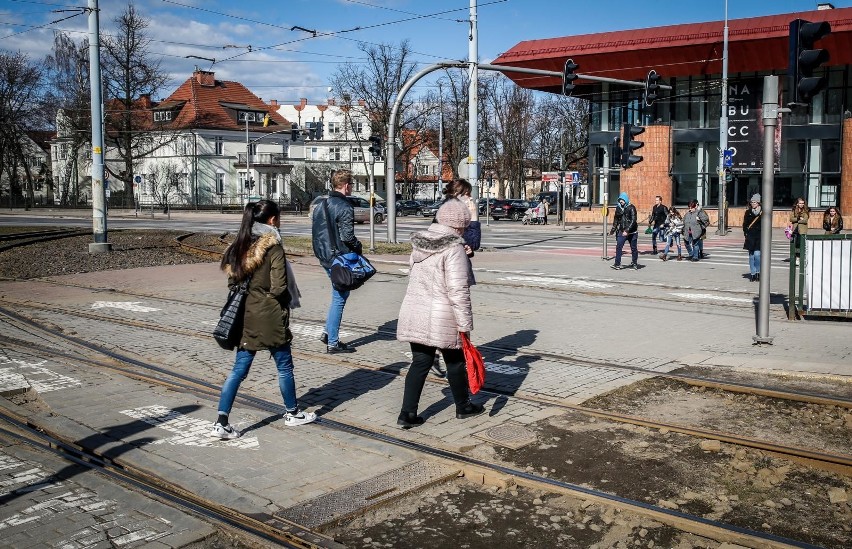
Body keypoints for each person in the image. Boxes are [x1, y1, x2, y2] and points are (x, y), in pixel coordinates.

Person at [212, 200, 316, 439]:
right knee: (284, 366)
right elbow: (280, 287)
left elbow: (232, 283)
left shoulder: (237, 246)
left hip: (246, 316)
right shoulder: (274, 247)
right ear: (272, 221)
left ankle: (221, 421)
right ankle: (292, 413)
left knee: (238, 370)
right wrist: (273, 303)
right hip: (269, 315)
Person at [396, 199, 485, 428]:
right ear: (459, 226)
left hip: (415, 310)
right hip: (442, 315)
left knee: (420, 362)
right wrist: (465, 324)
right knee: (455, 362)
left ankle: (407, 414)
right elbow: (458, 289)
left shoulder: (420, 244)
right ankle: (463, 407)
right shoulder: (453, 249)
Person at [431, 179, 480, 377]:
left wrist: (465, 247)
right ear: (458, 194)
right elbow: (474, 242)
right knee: (456, 316)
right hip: (452, 272)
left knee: (446, 315)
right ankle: (457, 362)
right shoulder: (456, 214)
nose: (470, 198)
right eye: (467, 194)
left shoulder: (444, 210)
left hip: (441, 270)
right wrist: (475, 217)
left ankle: (437, 353)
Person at [311, 169, 361, 354]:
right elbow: (348, 236)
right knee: (339, 298)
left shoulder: (321, 204)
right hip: (339, 257)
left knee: (339, 296)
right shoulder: (345, 206)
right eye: (352, 185)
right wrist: (358, 246)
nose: (352, 188)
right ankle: (333, 342)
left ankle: (327, 332)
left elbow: (317, 232)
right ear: (347, 185)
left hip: (324, 255)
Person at [610, 191, 639, 270]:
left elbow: (633, 220)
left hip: (632, 232)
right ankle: (617, 264)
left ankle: (634, 263)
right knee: (618, 247)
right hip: (622, 230)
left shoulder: (631, 207)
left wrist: (627, 230)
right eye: (620, 200)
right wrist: (613, 229)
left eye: (622, 200)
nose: (621, 201)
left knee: (633, 248)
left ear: (626, 199)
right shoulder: (618, 208)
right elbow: (616, 219)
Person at [743, 194, 762, 282]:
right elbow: (745, 224)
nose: (753, 204)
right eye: (752, 202)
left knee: (757, 255)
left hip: (759, 236)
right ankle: (753, 274)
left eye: (755, 202)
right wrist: (746, 233)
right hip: (750, 236)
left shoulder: (763, 212)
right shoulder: (748, 212)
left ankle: (758, 272)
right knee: (751, 256)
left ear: (758, 203)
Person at [788, 197, 809, 263]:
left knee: (800, 244)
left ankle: (799, 258)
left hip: (802, 230)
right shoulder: (794, 210)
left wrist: (798, 220)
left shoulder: (806, 211)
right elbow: (791, 219)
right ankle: (794, 257)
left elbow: (805, 220)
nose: (801, 204)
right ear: (797, 204)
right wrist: (799, 219)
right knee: (794, 244)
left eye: (803, 203)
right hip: (794, 229)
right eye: (800, 203)